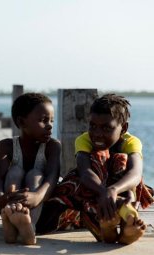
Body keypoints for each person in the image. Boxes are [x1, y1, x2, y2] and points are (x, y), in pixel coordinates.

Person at [37, 94, 153, 245]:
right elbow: (85, 172)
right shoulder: (84, 140)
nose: (97, 133)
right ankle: (106, 229)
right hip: (92, 192)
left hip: (121, 192)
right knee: (86, 167)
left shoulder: (130, 142)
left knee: (121, 160)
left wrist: (113, 190)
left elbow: (135, 173)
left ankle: (126, 229)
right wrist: (104, 191)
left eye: (106, 128)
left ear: (123, 128)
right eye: (93, 126)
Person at [0, 93, 61, 245]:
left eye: (51, 120)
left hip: (41, 207)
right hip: (9, 203)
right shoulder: (6, 146)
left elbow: (52, 177)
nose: (50, 125)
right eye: (43, 121)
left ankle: (29, 225)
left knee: (35, 174)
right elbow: (0, 178)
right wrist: (2, 196)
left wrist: (37, 196)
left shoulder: (52, 146)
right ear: (22, 122)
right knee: (15, 171)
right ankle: (11, 219)